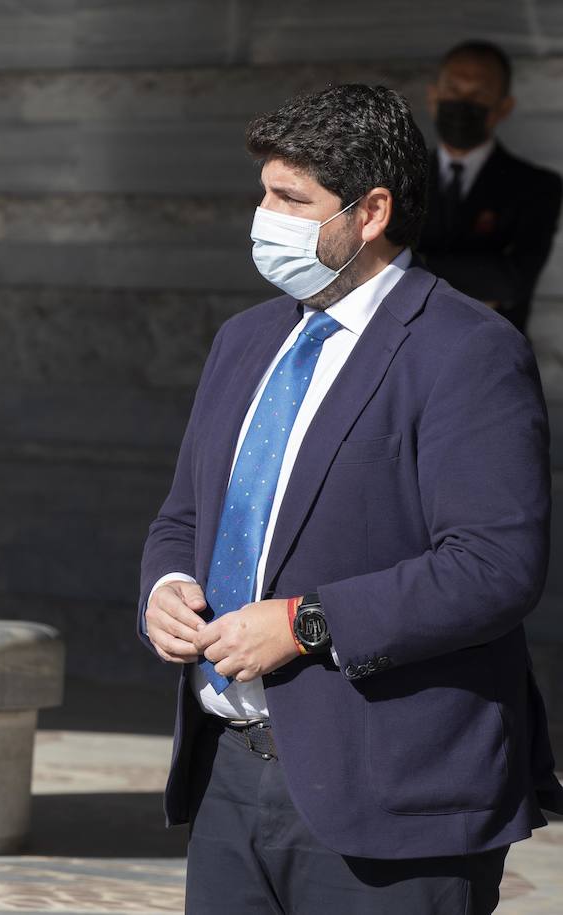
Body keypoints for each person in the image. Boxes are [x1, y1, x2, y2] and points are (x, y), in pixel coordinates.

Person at [139, 84, 562, 913]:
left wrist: (304, 622)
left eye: (290, 199)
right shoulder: (246, 339)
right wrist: (164, 589)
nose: (263, 216)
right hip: (231, 770)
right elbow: (185, 515)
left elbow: (494, 566)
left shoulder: (466, 350)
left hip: (396, 795)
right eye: (263, 191)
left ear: (369, 213)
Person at [418, 40, 562, 333]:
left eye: (478, 95)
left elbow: (512, 282)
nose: (462, 104)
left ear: (503, 107)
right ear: (433, 97)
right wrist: (479, 278)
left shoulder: (536, 187)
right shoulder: (400, 177)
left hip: (492, 358)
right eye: (453, 91)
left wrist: (417, 263)